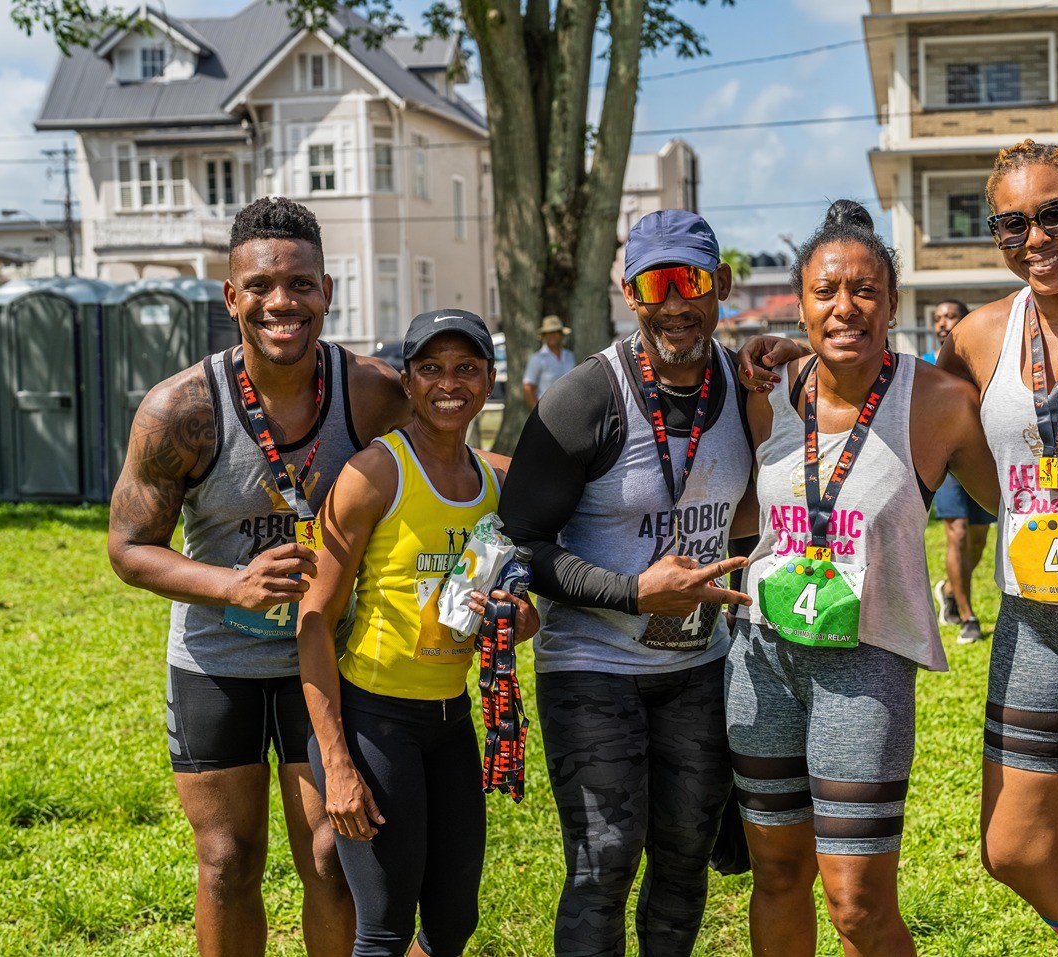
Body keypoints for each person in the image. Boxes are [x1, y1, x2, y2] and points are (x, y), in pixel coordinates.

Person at [737, 140, 1058, 955]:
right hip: (1030, 620)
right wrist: (797, 351)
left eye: (1054, 214)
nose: (1035, 236)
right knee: (1015, 849)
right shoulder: (975, 336)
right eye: (1012, 222)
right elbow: (890, 408)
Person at [107, 196, 409, 956]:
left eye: (301, 284)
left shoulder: (372, 393)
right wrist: (231, 585)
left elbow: (442, 479)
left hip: (328, 659)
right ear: (231, 296)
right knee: (227, 860)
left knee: (332, 854)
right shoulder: (180, 409)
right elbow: (128, 548)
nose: (283, 302)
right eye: (262, 286)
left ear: (327, 291)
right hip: (217, 661)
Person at [729, 200, 997, 957]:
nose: (845, 306)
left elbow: (1013, 501)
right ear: (802, 305)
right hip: (761, 656)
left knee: (857, 903)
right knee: (777, 872)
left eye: (865, 290)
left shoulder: (940, 404)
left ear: (892, 302)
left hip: (866, 664)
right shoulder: (769, 390)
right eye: (825, 291)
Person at [497, 208, 755, 957]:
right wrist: (634, 592)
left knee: (685, 857)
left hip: (698, 666)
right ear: (628, 293)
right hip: (592, 665)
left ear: (722, 285)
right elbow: (519, 543)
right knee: (603, 863)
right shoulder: (585, 398)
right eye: (654, 284)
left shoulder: (746, 383)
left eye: (690, 281)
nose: (674, 302)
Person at [296, 309, 538, 957]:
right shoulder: (375, 474)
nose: (448, 383)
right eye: (431, 368)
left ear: (489, 380)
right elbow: (313, 621)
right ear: (407, 381)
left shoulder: (497, 483)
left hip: (450, 721)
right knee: (383, 929)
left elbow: (523, 607)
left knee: (453, 923)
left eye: (466, 368)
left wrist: (516, 619)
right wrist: (337, 765)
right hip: (374, 722)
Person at [923, 298, 997, 643]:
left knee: (979, 539)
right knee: (958, 533)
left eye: (951, 316)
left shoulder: (982, 362)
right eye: (938, 317)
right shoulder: (925, 365)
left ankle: (950, 591)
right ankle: (968, 617)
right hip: (945, 461)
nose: (943, 323)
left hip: (980, 459)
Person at [522, 314, 576, 407]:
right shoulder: (537, 358)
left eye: (555, 332)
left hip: (570, 407)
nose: (552, 335)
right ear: (544, 336)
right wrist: (537, 412)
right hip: (547, 409)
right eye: (549, 333)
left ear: (561, 335)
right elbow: (528, 387)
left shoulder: (569, 356)